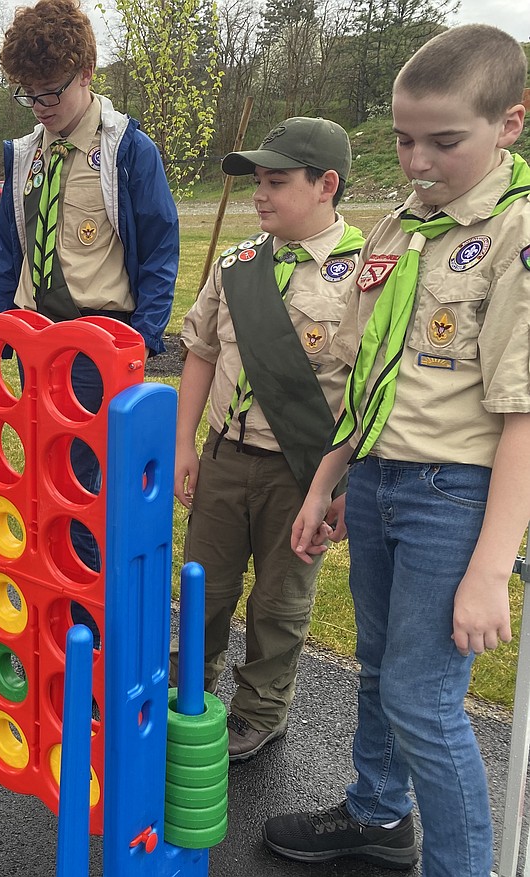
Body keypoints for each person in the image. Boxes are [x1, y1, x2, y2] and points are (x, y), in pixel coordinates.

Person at [263, 24, 529, 877]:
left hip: (455, 493)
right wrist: (326, 484)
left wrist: (492, 566)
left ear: (510, 125)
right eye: (405, 139)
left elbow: (523, 414)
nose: (417, 160)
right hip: (376, 478)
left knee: (425, 699)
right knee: (380, 671)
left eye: (444, 141)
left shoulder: (517, 237)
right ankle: (379, 818)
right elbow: (365, 374)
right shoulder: (395, 232)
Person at [172, 117, 364, 762]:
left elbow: (371, 391)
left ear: (325, 185)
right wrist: (185, 444)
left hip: (301, 475)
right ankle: (187, 690)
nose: (259, 195)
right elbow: (199, 352)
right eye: (257, 181)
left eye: (276, 182)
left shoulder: (368, 274)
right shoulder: (237, 265)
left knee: (278, 605)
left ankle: (260, 710)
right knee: (204, 586)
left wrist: (344, 482)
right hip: (225, 459)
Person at [0, 0, 179, 582]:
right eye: (28, 95)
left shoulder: (126, 151)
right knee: (43, 473)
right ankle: (54, 589)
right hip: (36, 337)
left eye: (50, 92)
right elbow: (9, 248)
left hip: (100, 341)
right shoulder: (25, 155)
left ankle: (90, 607)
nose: (40, 108)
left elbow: (161, 247)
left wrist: (142, 336)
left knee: (88, 482)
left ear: (87, 72)